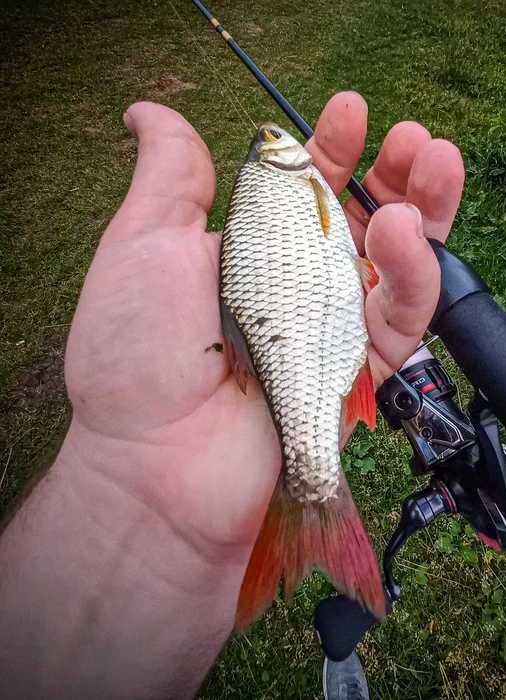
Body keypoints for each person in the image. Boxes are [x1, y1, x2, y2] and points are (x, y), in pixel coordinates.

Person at [0, 92, 465, 699]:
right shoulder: (300, 194)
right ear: (285, 163)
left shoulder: (284, 198)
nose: (278, 139)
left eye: (271, 140)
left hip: (307, 328)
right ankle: (316, 502)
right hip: (317, 323)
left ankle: (312, 512)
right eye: (275, 142)